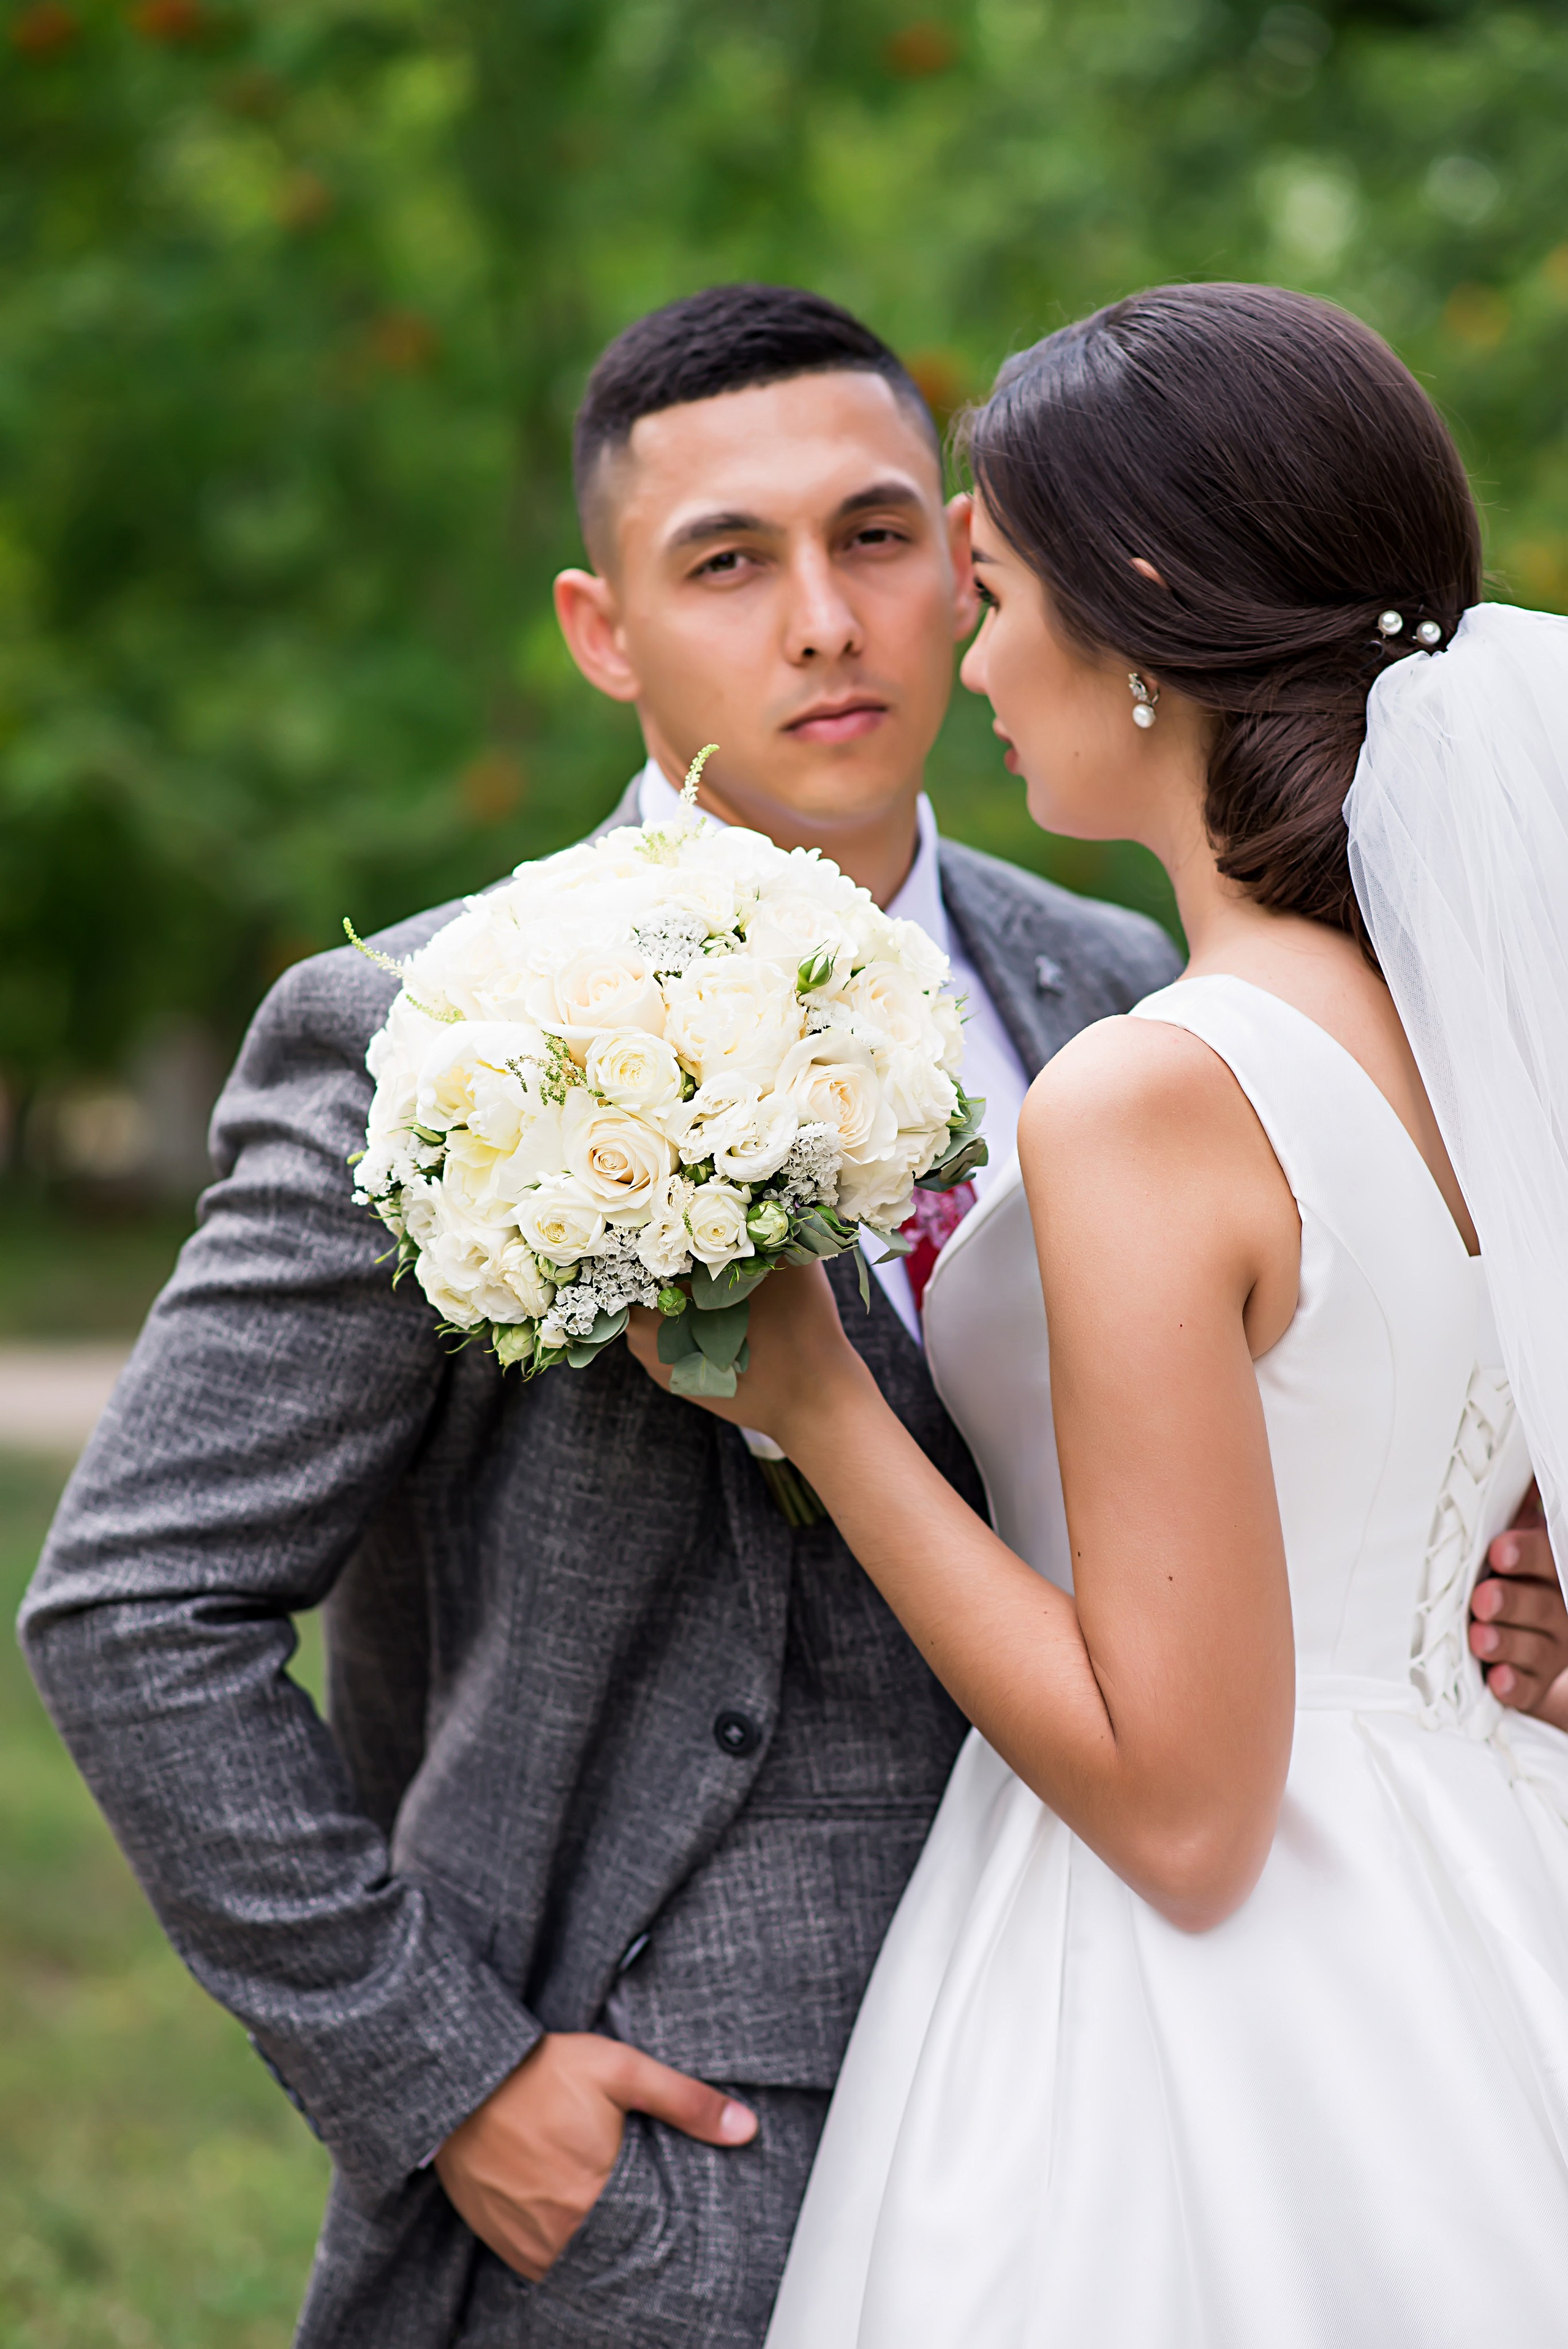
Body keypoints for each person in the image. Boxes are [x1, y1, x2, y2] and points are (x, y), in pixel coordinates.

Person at [17, 285, 1182, 2349]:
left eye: (879, 534)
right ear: (602, 629)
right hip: (695, 2167)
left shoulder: (1113, 971)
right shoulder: (428, 1031)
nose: (824, 619)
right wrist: (452, 2079)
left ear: (969, 555)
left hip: (1129, 2073)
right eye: (728, 561)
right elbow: (133, 1608)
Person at [625, 282, 1568, 2345]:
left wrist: (818, 1401)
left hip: (1193, 2000)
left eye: (993, 588)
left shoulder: (1162, 1086)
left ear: (1134, 614)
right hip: (1487, 1885)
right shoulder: (1475, 1033)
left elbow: (1183, 1802)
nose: (964, 657)